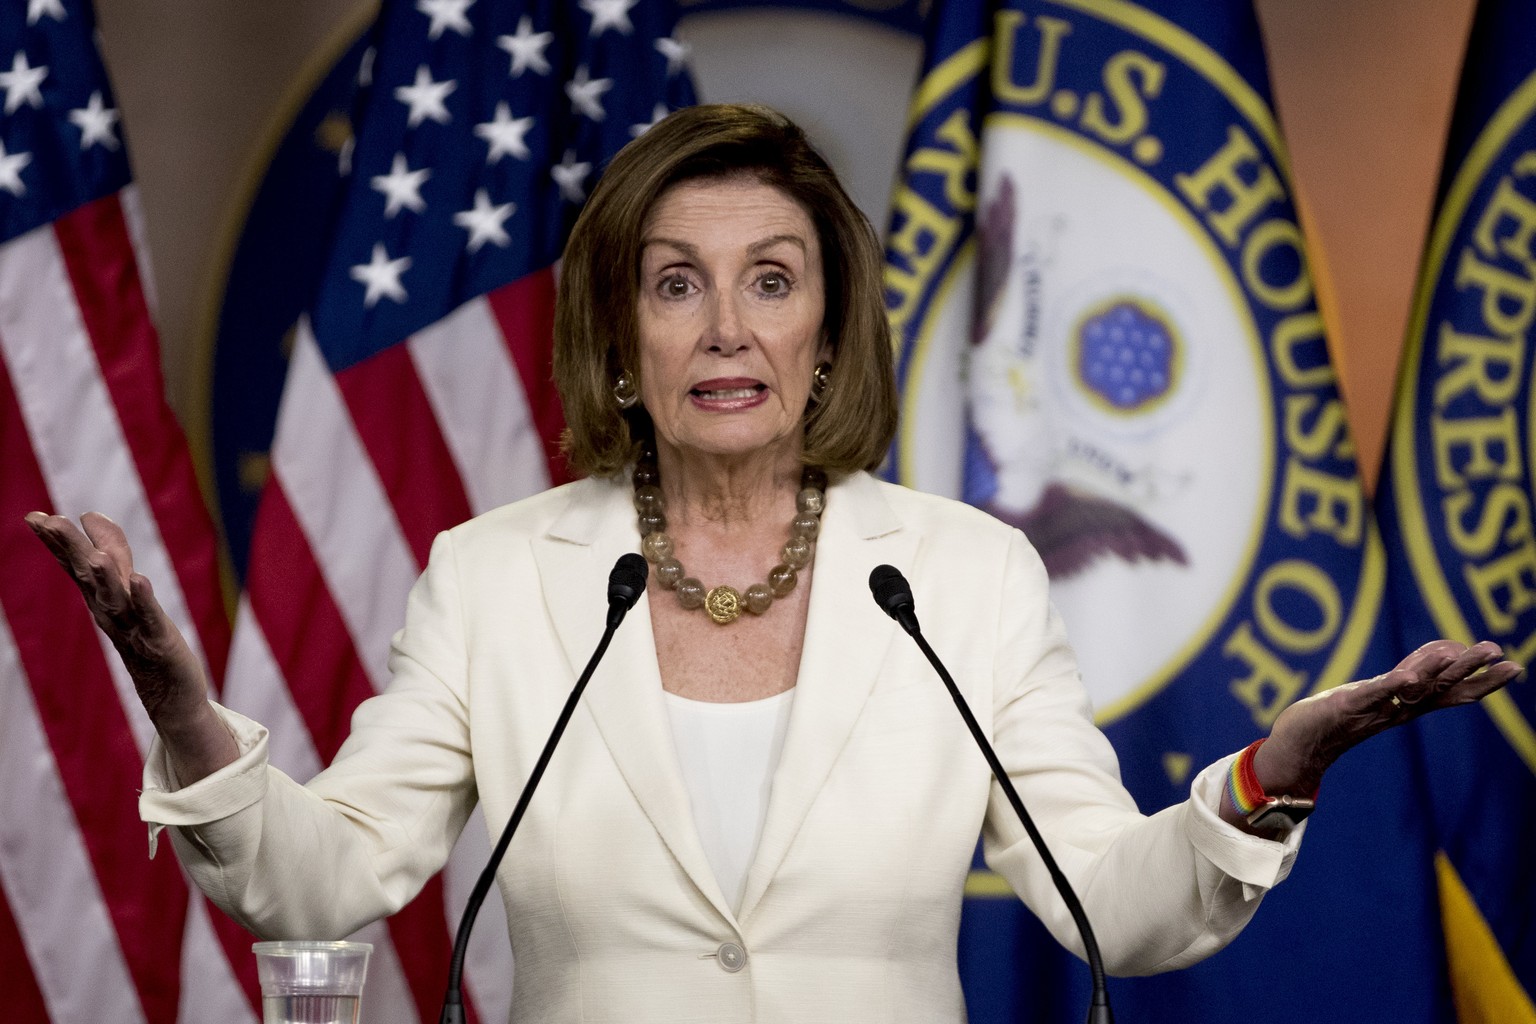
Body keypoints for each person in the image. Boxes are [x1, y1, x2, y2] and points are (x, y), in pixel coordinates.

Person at [26, 104, 1522, 1023]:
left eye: (772, 280)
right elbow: (320, 879)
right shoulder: (495, 578)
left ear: (823, 338)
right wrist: (174, 692)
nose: (727, 326)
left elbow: (1106, 902)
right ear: (623, 343)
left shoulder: (963, 574)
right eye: (677, 284)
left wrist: (1278, 770)